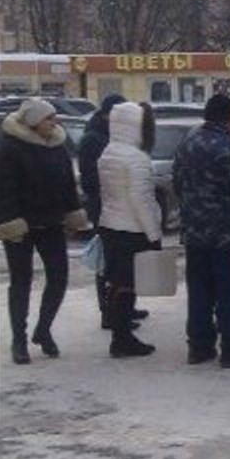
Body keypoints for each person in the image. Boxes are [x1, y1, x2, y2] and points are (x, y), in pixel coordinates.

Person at [174, 94, 230, 368]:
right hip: (228, 233)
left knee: (199, 292)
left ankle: (199, 347)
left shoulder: (187, 144)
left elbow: (177, 183)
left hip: (195, 233)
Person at [0, 98, 89, 364]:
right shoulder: (9, 148)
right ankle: (19, 340)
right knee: (21, 282)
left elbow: (67, 184)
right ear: (35, 122)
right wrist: (10, 221)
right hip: (21, 226)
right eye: (49, 118)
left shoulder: (56, 145)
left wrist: (73, 213)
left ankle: (43, 330)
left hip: (51, 222)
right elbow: (3, 191)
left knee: (59, 277)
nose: (55, 122)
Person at [78, 94, 148, 331]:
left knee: (123, 264)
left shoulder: (109, 137)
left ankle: (124, 308)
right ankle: (109, 312)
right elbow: (92, 181)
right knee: (109, 262)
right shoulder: (94, 140)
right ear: (110, 114)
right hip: (106, 208)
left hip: (117, 207)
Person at [97, 101, 161, 358]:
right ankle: (122, 339)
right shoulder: (136, 158)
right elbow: (141, 199)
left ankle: (119, 333)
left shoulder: (109, 152)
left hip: (111, 225)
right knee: (128, 285)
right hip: (132, 229)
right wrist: (153, 234)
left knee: (118, 283)